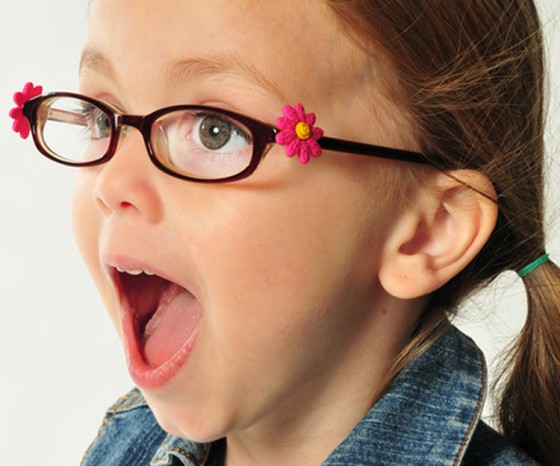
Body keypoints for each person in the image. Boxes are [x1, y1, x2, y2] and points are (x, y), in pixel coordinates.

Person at [9, 0, 559, 464]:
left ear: (427, 231)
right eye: (102, 116)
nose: (112, 183)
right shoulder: (126, 444)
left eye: (215, 131)